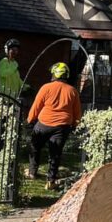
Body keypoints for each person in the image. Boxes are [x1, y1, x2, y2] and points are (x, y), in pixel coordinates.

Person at [25, 62, 82, 190]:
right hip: (62, 126)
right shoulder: (73, 91)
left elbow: (36, 106)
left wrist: (30, 120)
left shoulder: (46, 87)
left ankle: (32, 172)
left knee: (35, 147)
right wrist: (75, 125)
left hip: (43, 124)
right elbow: (77, 112)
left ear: (55, 74)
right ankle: (50, 181)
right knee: (55, 154)